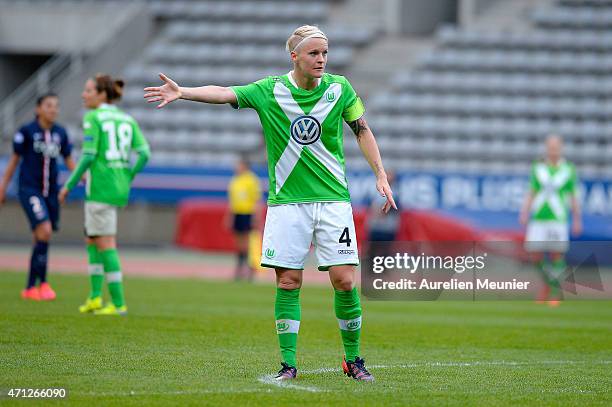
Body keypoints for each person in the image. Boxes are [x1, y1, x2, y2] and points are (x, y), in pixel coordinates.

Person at [144, 25, 396, 382]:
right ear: (294, 56)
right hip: (287, 205)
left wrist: (380, 174)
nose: (321, 59)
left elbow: (362, 130)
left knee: (344, 280)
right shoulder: (269, 90)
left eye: (325, 53)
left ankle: (354, 360)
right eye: (313, 53)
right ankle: (289, 364)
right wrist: (183, 92)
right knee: (289, 281)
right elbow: (224, 93)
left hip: (333, 200)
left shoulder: (340, 89)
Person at [59, 74, 150, 316]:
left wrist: (68, 184)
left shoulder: (93, 117)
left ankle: (118, 304)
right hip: (118, 186)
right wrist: (128, 176)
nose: (83, 94)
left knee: (105, 243)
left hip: (101, 186)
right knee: (92, 239)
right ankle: (95, 297)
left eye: (88, 90)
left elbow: (88, 156)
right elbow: (144, 153)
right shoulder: (126, 119)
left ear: (101, 94)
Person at [0, 93, 75, 301]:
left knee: (41, 236)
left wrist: (83, 178)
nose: (54, 109)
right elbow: (14, 161)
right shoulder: (26, 132)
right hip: (29, 189)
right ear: (38, 109)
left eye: (56, 106)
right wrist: (3, 187)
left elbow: (69, 160)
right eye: (49, 105)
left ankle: (30, 287)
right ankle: (43, 283)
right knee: (45, 229)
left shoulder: (61, 133)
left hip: (50, 192)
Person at [519, 135, 581, 306]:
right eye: (550, 147)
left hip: (558, 217)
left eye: (556, 147)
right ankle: (547, 284)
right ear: (547, 148)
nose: (553, 150)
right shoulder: (538, 168)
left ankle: (556, 291)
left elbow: (573, 195)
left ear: (561, 148)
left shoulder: (568, 169)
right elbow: (532, 191)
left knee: (556, 254)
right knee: (535, 255)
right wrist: (524, 211)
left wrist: (577, 219)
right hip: (538, 216)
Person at [225, 156, 262, 281]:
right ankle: (240, 268)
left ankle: (250, 269)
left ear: (245, 166)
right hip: (237, 213)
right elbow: (232, 201)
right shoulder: (235, 180)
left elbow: (257, 200)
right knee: (238, 242)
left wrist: (256, 217)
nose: (236, 167)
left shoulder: (252, 180)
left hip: (248, 213)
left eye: (239, 165)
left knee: (248, 242)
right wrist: (229, 216)